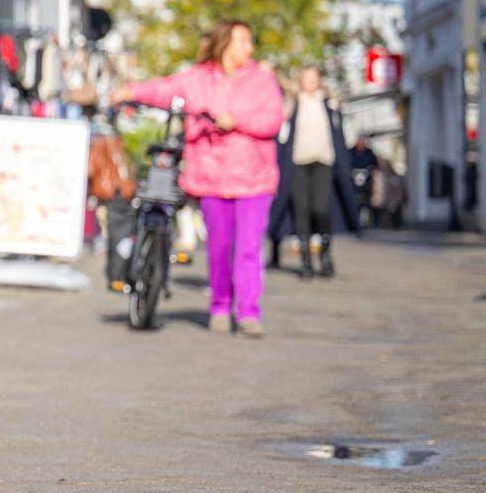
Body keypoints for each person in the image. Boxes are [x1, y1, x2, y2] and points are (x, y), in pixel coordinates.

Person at [115, 20, 284, 338]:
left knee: (248, 248)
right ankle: (220, 306)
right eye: (243, 41)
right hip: (211, 176)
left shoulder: (262, 81)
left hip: (254, 178)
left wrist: (238, 121)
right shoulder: (199, 78)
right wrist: (131, 91)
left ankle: (248, 311)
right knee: (219, 247)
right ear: (225, 44)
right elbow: (165, 89)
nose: (250, 47)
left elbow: (273, 119)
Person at [268, 67, 357, 278]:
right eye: (306, 78)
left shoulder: (329, 104)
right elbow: (282, 136)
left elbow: (339, 137)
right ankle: (306, 260)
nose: (310, 82)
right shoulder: (292, 104)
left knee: (321, 208)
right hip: (298, 164)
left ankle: (325, 254)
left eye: (313, 78)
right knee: (301, 211)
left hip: (323, 162)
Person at [348, 137, 385, 227]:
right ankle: (355, 221)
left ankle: (374, 222)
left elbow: (376, 166)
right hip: (354, 181)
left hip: (367, 181)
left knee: (369, 202)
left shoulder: (369, 153)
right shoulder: (350, 152)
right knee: (356, 201)